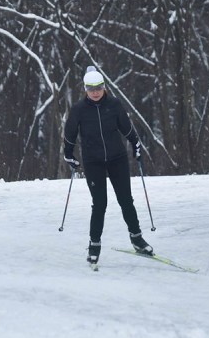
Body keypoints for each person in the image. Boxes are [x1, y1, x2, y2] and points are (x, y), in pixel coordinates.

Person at [63, 66, 153, 265]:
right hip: (93, 161)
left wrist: (136, 144)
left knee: (125, 200)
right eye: (90, 88)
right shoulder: (79, 109)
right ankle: (94, 244)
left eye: (98, 87)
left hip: (117, 158)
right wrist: (68, 155)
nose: (95, 92)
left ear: (104, 87)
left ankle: (137, 238)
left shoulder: (114, 104)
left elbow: (126, 128)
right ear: (85, 89)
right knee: (100, 204)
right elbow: (70, 134)